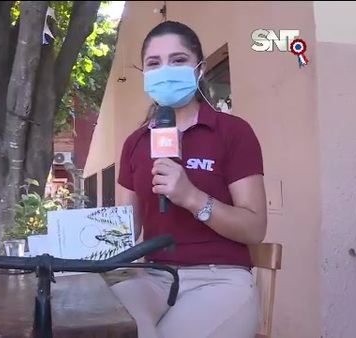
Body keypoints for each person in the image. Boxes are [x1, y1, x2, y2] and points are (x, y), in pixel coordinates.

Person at [111, 20, 268, 338]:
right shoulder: (135, 143)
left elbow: (255, 228)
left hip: (220, 278)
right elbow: (122, 233)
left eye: (178, 60)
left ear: (199, 69)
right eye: (154, 63)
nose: (165, 70)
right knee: (107, 321)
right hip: (153, 276)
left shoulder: (233, 131)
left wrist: (192, 197)